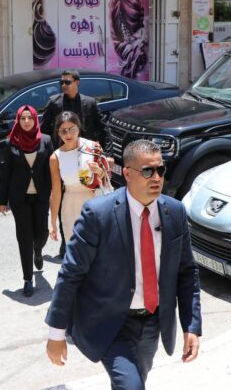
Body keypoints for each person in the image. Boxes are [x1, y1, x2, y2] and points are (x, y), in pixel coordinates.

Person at [45, 139, 202, 389]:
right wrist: (56, 332)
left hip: (153, 323)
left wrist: (191, 326)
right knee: (131, 386)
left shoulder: (175, 212)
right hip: (112, 324)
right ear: (127, 173)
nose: (156, 178)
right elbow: (71, 273)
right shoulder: (98, 214)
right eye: (147, 171)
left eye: (160, 170)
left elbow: (186, 273)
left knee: (135, 380)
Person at [0, 105, 54, 297]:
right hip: (19, 198)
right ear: (18, 121)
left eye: (30, 118)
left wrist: (54, 193)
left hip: (41, 196)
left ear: (35, 119)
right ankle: (27, 279)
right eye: (23, 118)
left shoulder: (46, 140)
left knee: (42, 233)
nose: (27, 121)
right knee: (24, 238)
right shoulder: (11, 143)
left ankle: (38, 250)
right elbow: (6, 173)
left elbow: (50, 170)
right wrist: (2, 200)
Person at [49, 112, 107, 248]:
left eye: (72, 129)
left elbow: (106, 178)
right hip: (70, 204)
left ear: (79, 128)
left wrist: (99, 171)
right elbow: (56, 191)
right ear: (58, 133)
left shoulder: (92, 147)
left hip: (93, 200)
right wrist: (53, 223)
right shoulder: (55, 157)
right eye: (63, 131)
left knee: (97, 246)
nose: (68, 134)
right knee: (75, 247)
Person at [41, 70, 107, 151]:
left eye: (67, 82)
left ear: (77, 83)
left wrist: (108, 153)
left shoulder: (90, 102)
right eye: (61, 82)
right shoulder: (54, 102)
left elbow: (104, 128)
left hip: (85, 150)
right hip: (62, 150)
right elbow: (44, 130)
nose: (64, 85)